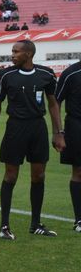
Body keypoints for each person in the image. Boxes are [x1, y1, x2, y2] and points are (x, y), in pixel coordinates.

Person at [0, 41, 65, 239]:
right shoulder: (7, 75)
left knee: (39, 176)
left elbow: (53, 104)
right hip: (15, 128)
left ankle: (36, 224)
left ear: (28, 54)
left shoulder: (46, 74)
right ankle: (4, 226)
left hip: (38, 128)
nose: (12, 54)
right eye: (12, 51)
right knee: (10, 176)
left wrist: (58, 132)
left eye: (16, 51)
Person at [56, 59, 81, 232]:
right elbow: (55, 101)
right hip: (76, 125)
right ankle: (79, 219)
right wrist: (59, 132)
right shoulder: (71, 73)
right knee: (78, 171)